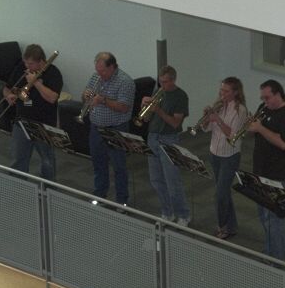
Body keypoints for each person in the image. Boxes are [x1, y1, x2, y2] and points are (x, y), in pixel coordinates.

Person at [250, 79, 285, 260]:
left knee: (274, 219)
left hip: (280, 174)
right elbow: (254, 130)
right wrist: (252, 127)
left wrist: (260, 128)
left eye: (268, 98)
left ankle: (277, 260)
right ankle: (271, 249)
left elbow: (283, 143)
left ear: (278, 94)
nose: (265, 102)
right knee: (263, 215)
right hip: (261, 171)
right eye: (262, 98)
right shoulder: (264, 109)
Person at [3, 44, 63, 180]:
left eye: (30, 64)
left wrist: (36, 83)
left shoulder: (53, 73)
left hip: (44, 124)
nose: (27, 67)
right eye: (25, 62)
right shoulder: (21, 69)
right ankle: (19, 186)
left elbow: (52, 98)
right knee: (18, 157)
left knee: (47, 160)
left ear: (41, 61)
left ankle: (48, 188)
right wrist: (8, 96)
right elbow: (7, 88)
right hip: (22, 121)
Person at [83, 52, 135, 205]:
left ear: (112, 67)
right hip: (96, 127)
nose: (100, 74)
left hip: (116, 128)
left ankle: (121, 201)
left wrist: (103, 100)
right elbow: (86, 95)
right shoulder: (96, 76)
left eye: (103, 71)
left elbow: (124, 107)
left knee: (119, 166)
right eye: (97, 70)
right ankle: (99, 194)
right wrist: (85, 95)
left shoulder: (125, 81)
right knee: (98, 163)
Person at [143, 65, 191, 225]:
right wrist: (145, 107)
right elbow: (146, 119)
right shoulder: (158, 92)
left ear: (173, 80)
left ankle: (183, 214)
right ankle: (167, 212)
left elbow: (176, 123)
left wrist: (158, 110)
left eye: (165, 82)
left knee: (172, 181)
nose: (162, 85)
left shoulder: (180, 96)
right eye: (160, 81)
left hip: (169, 139)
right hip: (153, 137)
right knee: (156, 179)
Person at [202, 77, 249, 239]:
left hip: (230, 156)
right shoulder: (219, 106)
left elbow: (233, 135)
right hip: (214, 153)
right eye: (221, 90)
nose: (222, 94)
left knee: (220, 194)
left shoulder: (240, 110)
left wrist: (218, 120)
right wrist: (207, 118)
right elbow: (206, 129)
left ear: (235, 92)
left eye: (226, 91)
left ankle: (222, 226)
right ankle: (232, 226)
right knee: (224, 192)